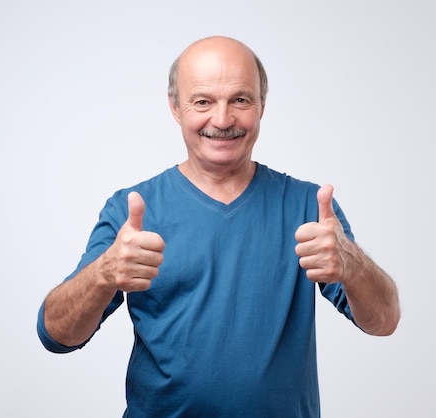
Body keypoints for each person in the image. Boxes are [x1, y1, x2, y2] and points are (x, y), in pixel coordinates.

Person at [37, 35, 400, 417]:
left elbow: (383, 322)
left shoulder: (309, 207)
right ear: (176, 107)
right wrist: (103, 274)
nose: (223, 120)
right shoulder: (133, 210)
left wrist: (353, 264)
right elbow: (57, 336)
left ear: (262, 105)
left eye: (240, 100)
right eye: (203, 101)